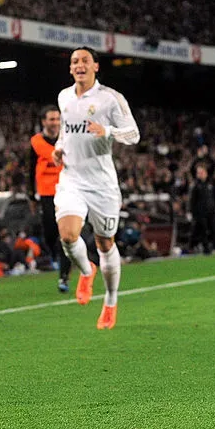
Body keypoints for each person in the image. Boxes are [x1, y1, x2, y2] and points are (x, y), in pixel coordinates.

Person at [51, 47, 140, 329]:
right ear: (70, 68)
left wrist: (108, 131)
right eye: (74, 61)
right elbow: (66, 130)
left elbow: (134, 134)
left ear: (96, 67)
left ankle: (111, 302)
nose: (79, 65)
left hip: (102, 184)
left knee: (105, 243)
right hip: (72, 179)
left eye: (85, 61)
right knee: (68, 236)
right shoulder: (64, 97)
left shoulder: (110, 99)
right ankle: (87, 271)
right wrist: (58, 148)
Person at [30, 104, 70, 291]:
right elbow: (30, 170)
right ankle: (55, 255)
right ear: (44, 122)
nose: (55, 122)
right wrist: (31, 195)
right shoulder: (36, 142)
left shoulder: (68, 139)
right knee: (50, 231)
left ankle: (64, 276)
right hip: (46, 193)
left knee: (65, 233)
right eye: (52, 119)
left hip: (67, 191)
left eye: (57, 118)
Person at [188, 165, 215, 254]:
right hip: (200, 212)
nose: (201, 175)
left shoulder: (210, 184)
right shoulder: (195, 185)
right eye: (199, 173)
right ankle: (206, 248)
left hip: (211, 211)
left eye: (202, 172)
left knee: (214, 228)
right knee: (203, 230)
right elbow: (191, 200)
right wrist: (190, 211)